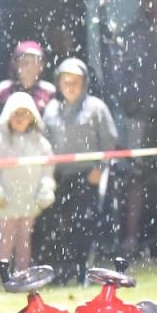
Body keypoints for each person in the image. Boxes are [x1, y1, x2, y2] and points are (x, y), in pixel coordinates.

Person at [110, 0, 157, 259]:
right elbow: (118, 71)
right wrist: (128, 99)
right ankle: (132, 241)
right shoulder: (131, 33)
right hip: (138, 115)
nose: (153, 3)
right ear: (141, 1)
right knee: (136, 178)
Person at [42, 58, 120, 282]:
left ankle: (83, 271)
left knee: (84, 227)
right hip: (59, 177)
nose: (70, 86)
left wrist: (100, 168)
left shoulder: (96, 107)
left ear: (84, 82)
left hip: (87, 176)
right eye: (66, 82)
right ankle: (62, 273)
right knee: (59, 227)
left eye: (75, 81)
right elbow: (45, 143)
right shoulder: (51, 110)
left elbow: (109, 141)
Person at [0, 91, 56, 272]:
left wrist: (45, 189)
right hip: (5, 201)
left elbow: (47, 171)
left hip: (29, 200)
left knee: (24, 239)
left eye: (25, 114)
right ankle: (3, 275)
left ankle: (23, 274)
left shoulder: (40, 143)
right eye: (16, 113)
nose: (20, 118)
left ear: (32, 117)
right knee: (6, 238)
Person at [0, 40, 58, 129]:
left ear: (41, 66)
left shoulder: (49, 91)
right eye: (25, 62)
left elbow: (54, 123)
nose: (29, 67)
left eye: (34, 63)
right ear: (16, 64)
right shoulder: (4, 89)